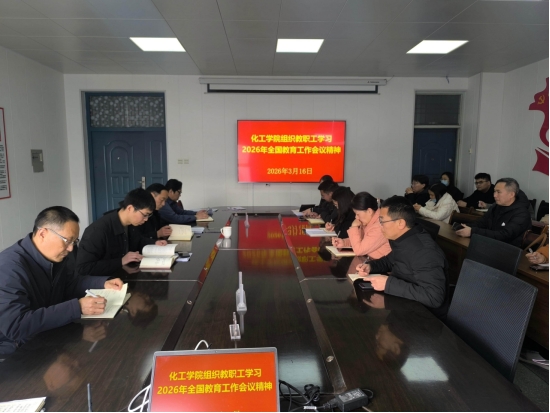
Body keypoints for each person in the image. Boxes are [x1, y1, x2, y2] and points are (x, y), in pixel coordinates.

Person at [0, 206, 123, 355]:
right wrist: (77, 308)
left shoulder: (53, 256)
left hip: (48, 336)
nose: (71, 249)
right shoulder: (8, 267)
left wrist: (102, 283)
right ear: (43, 233)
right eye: (67, 240)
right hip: (16, 351)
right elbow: (16, 326)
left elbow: (69, 283)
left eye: (74, 241)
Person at [356, 196, 448, 319]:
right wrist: (371, 266)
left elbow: (434, 297)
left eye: (382, 221)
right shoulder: (403, 239)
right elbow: (390, 260)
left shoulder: (424, 251)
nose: (380, 226)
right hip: (405, 305)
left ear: (400, 223)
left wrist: (388, 284)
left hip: (424, 318)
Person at [76, 188, 167, 277]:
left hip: (124, 275)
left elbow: (137, 240)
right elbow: (83, 267)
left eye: (148, 215)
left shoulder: (132, 224)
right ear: (130, 208)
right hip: (105, 281)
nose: (146, 219)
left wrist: (154, 242)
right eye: (145, 215)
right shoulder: (98, 231)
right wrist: (120, 261)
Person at [456, 178, 531, 247]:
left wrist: (472, 231)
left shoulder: (522, 213)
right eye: (494, 191)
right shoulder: (495, 207)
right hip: (490, 244)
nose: (494, 195)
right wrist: (465, 227)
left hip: (508, 250)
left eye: (498, 192)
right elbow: (481, 223)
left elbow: (504, 235)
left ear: (511, 194)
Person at [332, 192, 391, 258]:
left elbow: (359, 250)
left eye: (358, 214)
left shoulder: (380, 226)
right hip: (369, 260)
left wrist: (354, 227)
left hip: (379, 263)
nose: (356, 217)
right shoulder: (369, 220)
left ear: (369, 211)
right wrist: (344, 242)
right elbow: (361, 240)